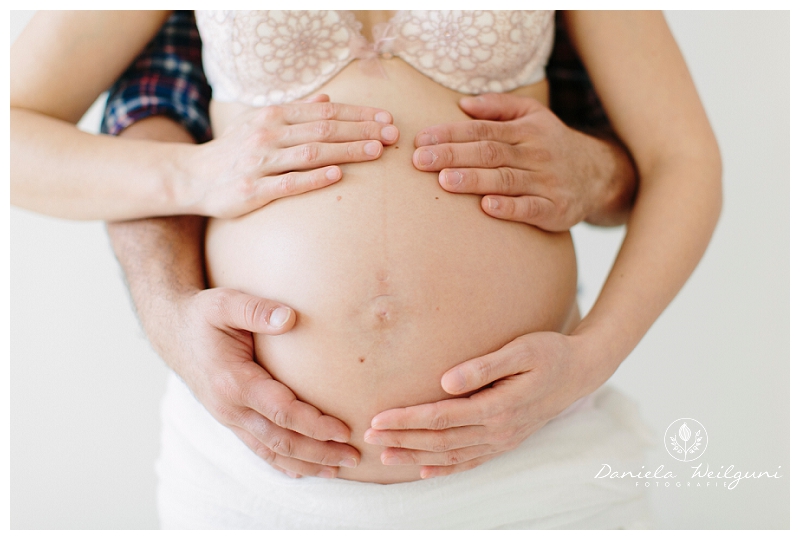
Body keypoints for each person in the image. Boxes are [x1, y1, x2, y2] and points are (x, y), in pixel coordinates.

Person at [10, 10, 721, 528]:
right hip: (255, 480)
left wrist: (590, 358)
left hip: (537, 465)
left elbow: (681, 160)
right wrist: (191, 173)